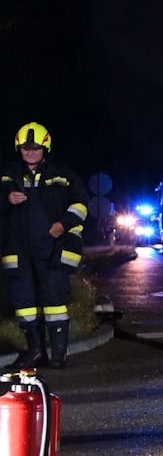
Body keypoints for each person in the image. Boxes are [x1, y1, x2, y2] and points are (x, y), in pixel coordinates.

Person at [1, 123, 90, 369]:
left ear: (45, 148)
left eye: (35, 148)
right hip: (18, 250)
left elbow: (81, 203)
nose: (30, 152)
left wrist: (63, 224)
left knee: (54, 301)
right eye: (25, 148)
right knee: (24, 303)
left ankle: (58, 354)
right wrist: (6, 198)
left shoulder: (62, 175)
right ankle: (33, 351)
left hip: (51, 247)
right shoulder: (7, 174)